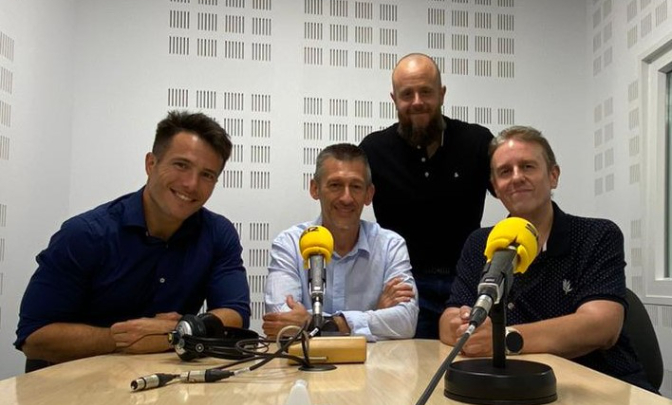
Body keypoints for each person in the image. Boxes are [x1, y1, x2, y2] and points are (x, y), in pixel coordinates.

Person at [15, 111, 251, 367]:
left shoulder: (218, 233)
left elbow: (235, 314)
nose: (192, 184)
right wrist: (122, 338)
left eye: (207, 175)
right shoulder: (85, 234)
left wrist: (180, 331)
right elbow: (34, 338)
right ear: (151, 164)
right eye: (181, 165)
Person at [439, 125, 655, 392]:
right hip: (515, 388)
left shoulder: (596, 235)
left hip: (600, 385)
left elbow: (602, 325)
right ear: (495, 187)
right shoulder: (480, 243)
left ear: (553, 176)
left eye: (528, 167)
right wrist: (460, 326)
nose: (516, 177)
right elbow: (448, 319)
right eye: (505, 172)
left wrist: (504, 339)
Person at [359, 53, 493, 339]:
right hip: (405, 285)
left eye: (426, 91)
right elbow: (345, 212)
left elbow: (514, 194)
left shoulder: (477, 141)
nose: (417, 101)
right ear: (394, 99)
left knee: (468, 365)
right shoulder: (374, 150)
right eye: (407, 94)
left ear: (442, 94)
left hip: (468, 283)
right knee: (405, 370)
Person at [263, 143, 418, 341]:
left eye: (355, 186)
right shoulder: (290, 244)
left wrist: (317, 323)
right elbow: (281, 320)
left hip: (371, 367)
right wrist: (373, 316)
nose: (346, 198)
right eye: (335, 185)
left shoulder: (390, 246)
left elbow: (406, 321)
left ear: (369, 194)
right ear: (314, 189)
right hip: (304, 365)